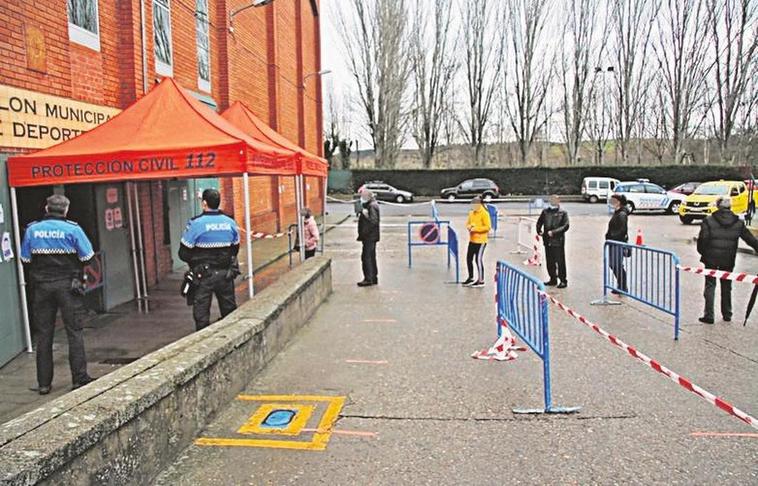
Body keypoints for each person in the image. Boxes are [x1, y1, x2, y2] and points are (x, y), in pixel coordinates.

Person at [20, 194, 96, 395]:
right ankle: (79, 379)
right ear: (66, 210)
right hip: (68, 286)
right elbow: (87, 256)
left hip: (42, 286)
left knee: (44, 334)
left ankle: (44, 383)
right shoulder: (73, 229)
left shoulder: (32, 229)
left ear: (47, 208)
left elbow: (25, 260)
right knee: (74, 331)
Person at [179, 189, 240, 331]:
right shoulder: (230, 223)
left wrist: (196, 261)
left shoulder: (196, 224)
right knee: (229, 311)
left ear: (204, 203)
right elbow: (235, 249)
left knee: (201, 314)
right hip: (225, 275)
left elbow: (183, 253)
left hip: (203, 276)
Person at [696, 196, 758, 324]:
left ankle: (709, 315)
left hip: (710, 258)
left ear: (717, 206)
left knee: (710, 285)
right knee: (726, 285)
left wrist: (703, 253)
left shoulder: (708, 221)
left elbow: (702, 240)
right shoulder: (738, 223)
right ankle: (727, 313)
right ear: (730, 207)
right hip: (728, 259)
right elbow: (750, 240)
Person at [536, 195, 570, 288]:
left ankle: (563, 280)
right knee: (550, 261)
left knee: (560, 261)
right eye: (552, 199)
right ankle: (552, 278)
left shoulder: (563, 212)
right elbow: (539, 222)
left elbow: (566, 226)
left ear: (559, 201)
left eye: (555, 200)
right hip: (547, 240)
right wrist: (539, 230)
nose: (553, 201)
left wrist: (554, 232)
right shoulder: (545, 212)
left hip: (558, 241)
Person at [463, 196, 492, 288]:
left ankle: (481, 280)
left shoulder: (484, 213)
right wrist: (469, 227)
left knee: (478, 260)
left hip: (481, 241)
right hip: (472, 240)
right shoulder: (471, 213)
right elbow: (468, 223)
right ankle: (471, 277)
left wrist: (476, 229)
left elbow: (487, 227)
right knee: (469, 259)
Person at [605, 194, 630, 294]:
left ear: (618, 202)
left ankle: (623, 287)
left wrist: (613, 238)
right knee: (614, 265)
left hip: (617, 243)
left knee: (616, 265)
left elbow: (622, 230)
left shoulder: (621, 214)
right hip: (613, 242)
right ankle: (621, 285)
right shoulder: (617, 213)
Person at [357, 188, 380, 287]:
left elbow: (373, 221)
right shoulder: (371, 205)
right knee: (371, 257)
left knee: (366, 257)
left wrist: (365, 216)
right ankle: (373, 277)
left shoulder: (371, 206)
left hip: (369, 237)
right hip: (371, 236)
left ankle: (368, 278)